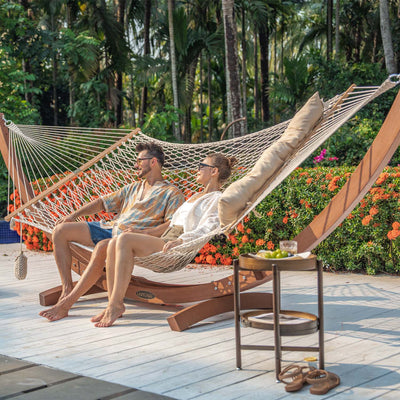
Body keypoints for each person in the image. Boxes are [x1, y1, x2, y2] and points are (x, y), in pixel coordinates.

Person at [39, 153, 237, 324]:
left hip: (177, 245)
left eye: (202, 166)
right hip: (166, 238)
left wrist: (183, 241)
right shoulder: (195, 196)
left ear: (214, 172)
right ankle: (72, 302)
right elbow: (170, 224)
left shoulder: (217, 199)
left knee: (123, 240)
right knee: (103, 246)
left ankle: (116, 305)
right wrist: (146, 234)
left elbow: (210, 226)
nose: (198, 168)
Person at [45, 142, 184, 303]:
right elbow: (102, 203)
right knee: (60, 231)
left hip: (129, 239)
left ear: (153, 162)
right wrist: (73, 215)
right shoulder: (132, 187)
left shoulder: (171, 193)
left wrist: (143, 233)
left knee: (102, 247)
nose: (135, 165)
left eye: (139, 161)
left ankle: (77, 300)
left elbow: (172, 224)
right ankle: (67, 288)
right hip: (110, 228)